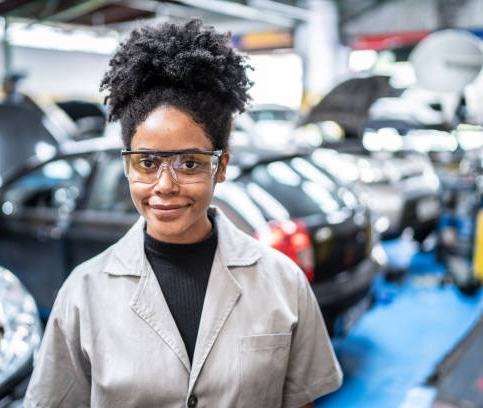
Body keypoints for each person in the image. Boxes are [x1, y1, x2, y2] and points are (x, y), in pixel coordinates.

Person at [24, 19, 342, 408]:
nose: (165, 185)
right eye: (147, 162)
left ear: (221, 166)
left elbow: (301, 401)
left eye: (190, 163)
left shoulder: (282, 281)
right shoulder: (83, 293)